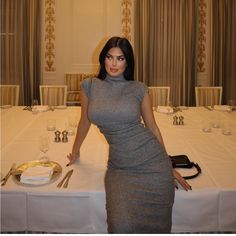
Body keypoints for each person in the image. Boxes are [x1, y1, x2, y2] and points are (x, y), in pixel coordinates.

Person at [67, 36, 191, 233]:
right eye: (110, 57)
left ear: (128, 62)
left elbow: (152, 127)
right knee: (119, 225)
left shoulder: (138, 88)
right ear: (103, 58)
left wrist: (168, 166)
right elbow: (85, 121)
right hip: (120, 169)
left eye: (120, 58)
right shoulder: (89, 86)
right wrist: (75, 151)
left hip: (153, 164)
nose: (114, 63)